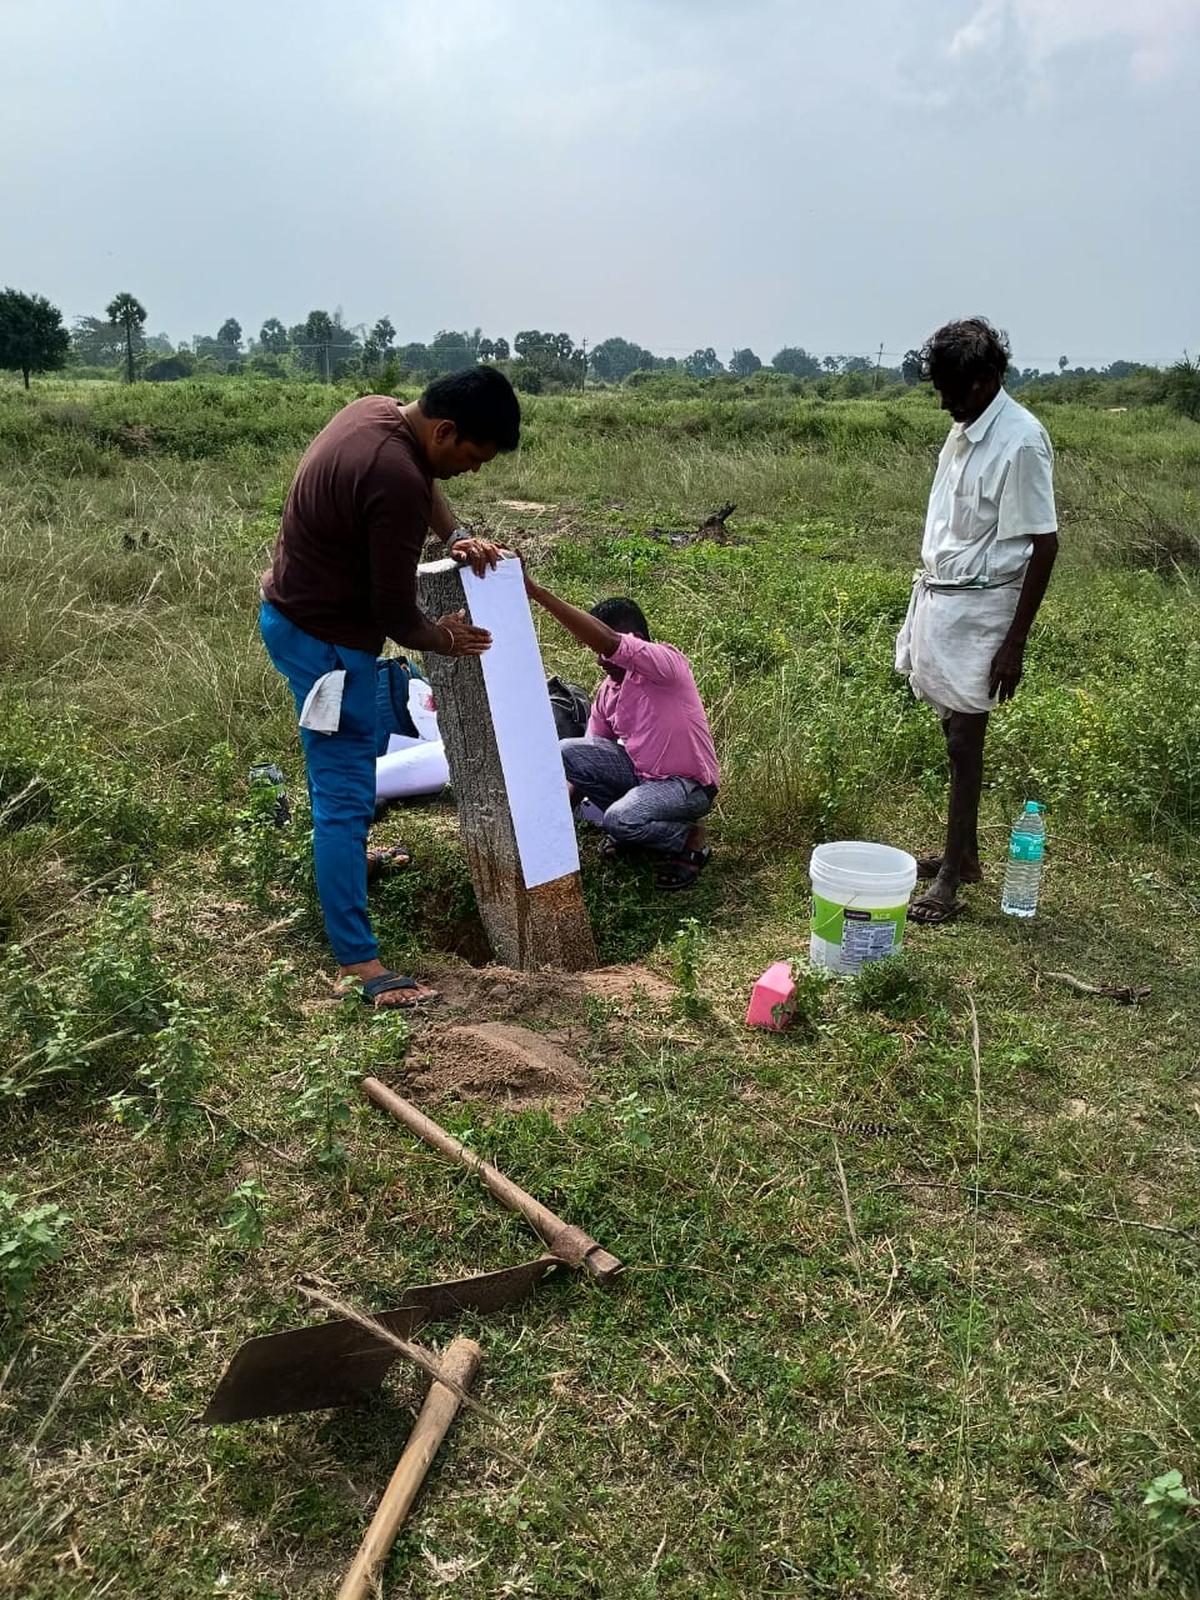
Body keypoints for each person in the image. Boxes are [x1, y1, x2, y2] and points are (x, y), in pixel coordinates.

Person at [259, 367, 520, 1005]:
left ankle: (346, 866)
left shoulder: (377, 414)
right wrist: (445, 637)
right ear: (446, 429)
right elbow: (395, 614)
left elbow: (424, 478)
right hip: (327, 647)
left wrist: (455, 536)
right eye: (471, 456)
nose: (473, 470)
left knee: (346, 769)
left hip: (295, 616)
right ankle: (357, 962)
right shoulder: (394, 477)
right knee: (344, 794)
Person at [895, 318, 1058, 924]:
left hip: (988, 604)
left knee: (967, 738)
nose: (944, 402)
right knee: (953, 732)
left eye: (953, 389)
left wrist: (1015, 642)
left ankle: (952, 882)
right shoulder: (964, 430)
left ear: (987, 380)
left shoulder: (1021, 440)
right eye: (939, 388)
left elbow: (1044, 545)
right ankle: (963, 855)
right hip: (946, 598)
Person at [521, 568, 719, 889]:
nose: (599, 660)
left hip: (687, 788)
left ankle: (688, 839)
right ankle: (637, 829)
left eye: (603, 651)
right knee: (566, 751)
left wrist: (538, 593)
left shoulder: (665, 666)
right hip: (644, 781)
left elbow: (610, 642)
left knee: (618, 820)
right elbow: (588, 760)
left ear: (634, 642)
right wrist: (556, 825)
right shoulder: (608, 692)